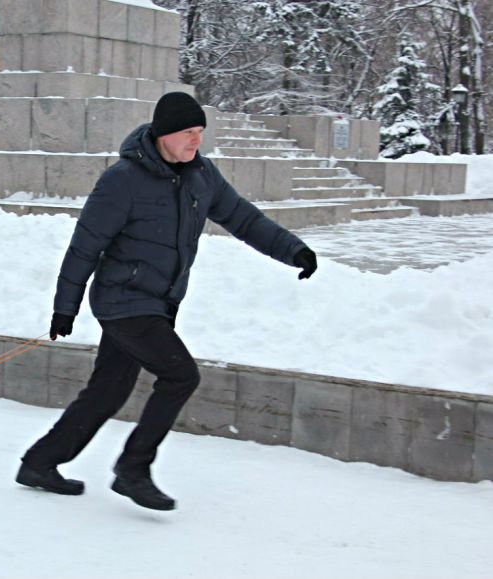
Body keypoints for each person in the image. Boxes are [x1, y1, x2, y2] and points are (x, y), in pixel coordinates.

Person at [16, 92, 318, 511]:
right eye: (187, 133)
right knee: (180, 376)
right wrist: (65, 306)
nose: (196, 141)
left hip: (159, 302)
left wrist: (293, 251)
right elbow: (84, 246)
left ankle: (39, 463)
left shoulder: (202, 176)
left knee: (108, 391)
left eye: (199, 132)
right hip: (123, 300)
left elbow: (244, 218)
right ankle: (133, 469)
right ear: (163, 134)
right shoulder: (122, 180)